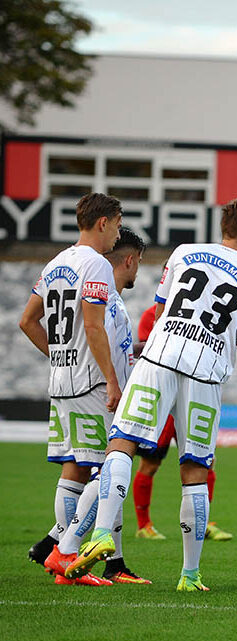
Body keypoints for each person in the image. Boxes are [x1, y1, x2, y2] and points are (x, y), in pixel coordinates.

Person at [64, 198, 237, 592]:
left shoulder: (184, 253)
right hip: (206, 373)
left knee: (122, 443)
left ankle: (103, 532)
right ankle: (189, 575)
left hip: (159, 357)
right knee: (195, 470)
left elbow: (159, 312)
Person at [20, 193, 123, 586]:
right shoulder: (96, 264)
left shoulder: (56, 263)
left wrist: (60, 354)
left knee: (75, 468)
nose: (117, 235)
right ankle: (66, 553)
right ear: (102, 223)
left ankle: (65, 562)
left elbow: (27, 321)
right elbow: (93, 326)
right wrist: (111, 378)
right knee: (109, 465)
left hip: (61, 381)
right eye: (117, 225)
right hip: (89, 381)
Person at [133, 302, 233, 542]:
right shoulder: (151, 315)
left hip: (192, 396)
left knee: (205, 461)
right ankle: (143, 525)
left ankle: (203, 522)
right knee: (150, 463)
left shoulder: (201, 311)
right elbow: (151, 352)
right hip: (164, 401)